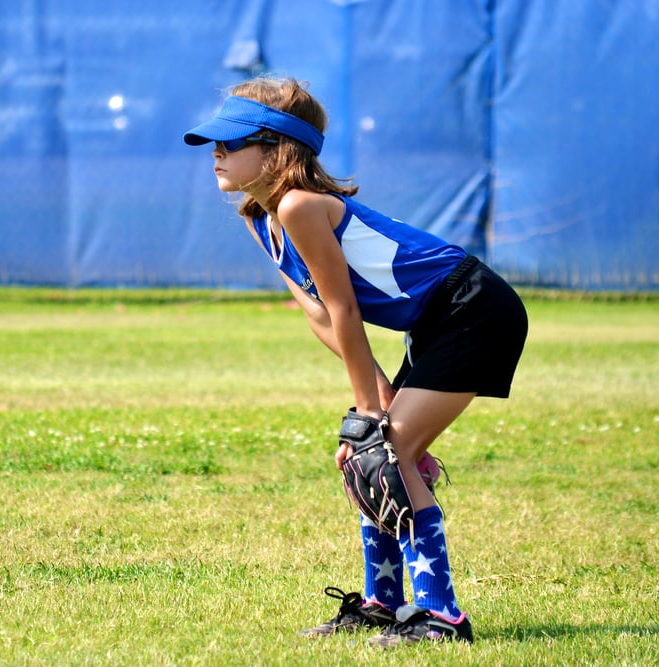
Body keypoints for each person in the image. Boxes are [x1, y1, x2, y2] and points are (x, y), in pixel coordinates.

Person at [181, 76, 527, 647]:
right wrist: (380, 402)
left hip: (474, 309)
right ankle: (382, 604)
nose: (217, 152)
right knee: (365, 458)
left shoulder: (297, 205)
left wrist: (373, 413)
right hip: (436, 320)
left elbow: (345, 309)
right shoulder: (262, 215)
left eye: (232, 141)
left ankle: (443, 617)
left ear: (277, 149)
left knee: (387, 453)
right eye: (215, 142)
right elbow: (320, 316)